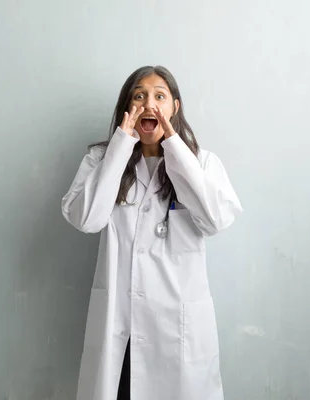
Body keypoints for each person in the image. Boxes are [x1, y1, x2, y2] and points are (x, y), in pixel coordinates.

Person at [61, 65, 243, 400]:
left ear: (175, 107)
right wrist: (120, 147)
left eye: (159, 96)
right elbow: (86, 219)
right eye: (139, 95)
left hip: (177, 331)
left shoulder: (201, 163)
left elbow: (216, 220)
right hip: (122, 328)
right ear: (127, 108)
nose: (149, 104)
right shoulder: (101, 159)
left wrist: (175, 148)